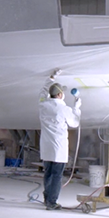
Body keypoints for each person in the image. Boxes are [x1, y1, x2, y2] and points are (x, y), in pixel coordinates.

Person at [38, 69, 81, 210]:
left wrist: (51, 79)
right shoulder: (64, 109)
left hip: (46, 146)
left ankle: (47, 198)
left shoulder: (43, 105)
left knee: (48, 173)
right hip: (58, 147)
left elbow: (43, 93)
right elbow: (75, 123)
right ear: (61, 95)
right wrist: (77, 107)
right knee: (56, 175)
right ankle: (52, 202)